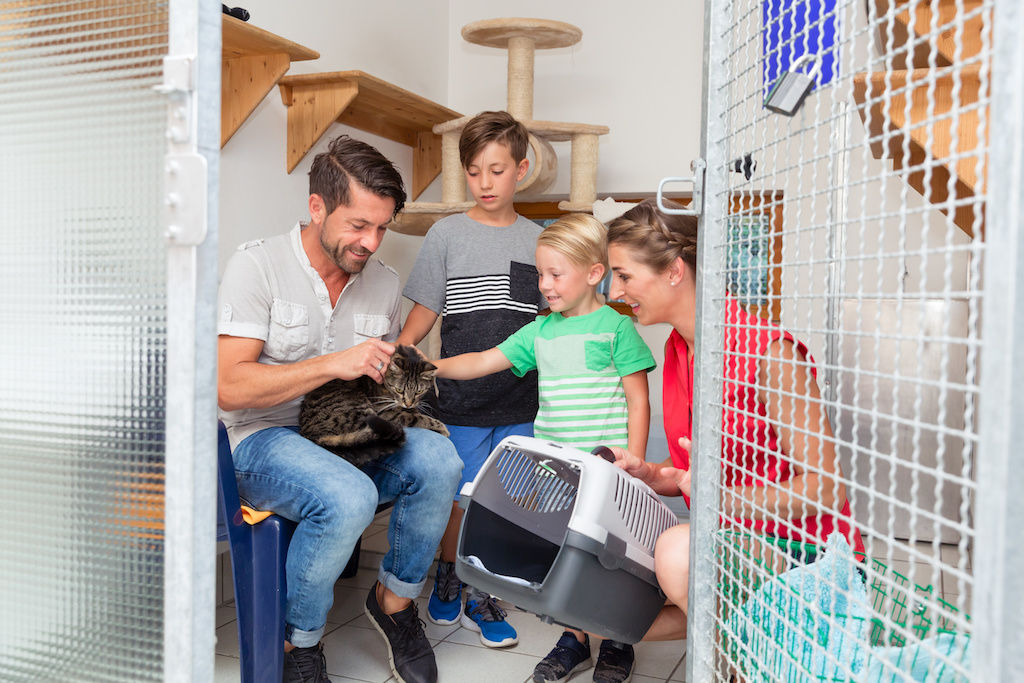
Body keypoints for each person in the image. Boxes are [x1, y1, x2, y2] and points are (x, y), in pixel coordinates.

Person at [217, 135, 463, 683]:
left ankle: (394, 603)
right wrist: (334, 363)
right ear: (316, 207)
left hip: (347, 430)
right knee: (348, 495)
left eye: (382, 227)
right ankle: (299, 642)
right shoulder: (256, 267)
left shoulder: (384, 284)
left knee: (441, 460)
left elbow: (387, 378)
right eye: (358, 225)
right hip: (263, 436)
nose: (371, 242)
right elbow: (229, 388)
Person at [603, 199, 865, 642]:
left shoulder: (770, 353)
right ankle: (742, 654)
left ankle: (748, 660)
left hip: (808, 554)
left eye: (624, 275)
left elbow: (826, 487)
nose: (613, 292)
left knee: (677, 553)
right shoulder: (679, 349)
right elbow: (698, 463)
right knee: (603, 607)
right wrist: (650, 473)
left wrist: (718, 502)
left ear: (674, 270)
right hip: (737, 541)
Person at [431, 214, 656, 683]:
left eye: (556, 274)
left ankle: (617, 639)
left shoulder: (617, 329)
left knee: (613, 557)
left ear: (595, 273)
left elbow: (638, 400)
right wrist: (428, 365)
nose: (545, 284)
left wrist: (633, 463)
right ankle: (574, 639)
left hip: (611, 471)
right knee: (564, 555)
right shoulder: (539, 332)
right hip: (557, 472)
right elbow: (483, 361)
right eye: (540, 273)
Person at [397, 110, 548, 648]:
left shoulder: (539, 240)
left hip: (519, 404)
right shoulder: (445, 234)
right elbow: (423, 314)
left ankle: (484, 593)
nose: (486, 183)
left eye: (498, 170)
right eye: (475, 171)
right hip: (456, 399)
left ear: (521, 170)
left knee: (503, 504)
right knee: (455, 502)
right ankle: (447, 576)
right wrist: (401, 354)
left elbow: (551, 322)